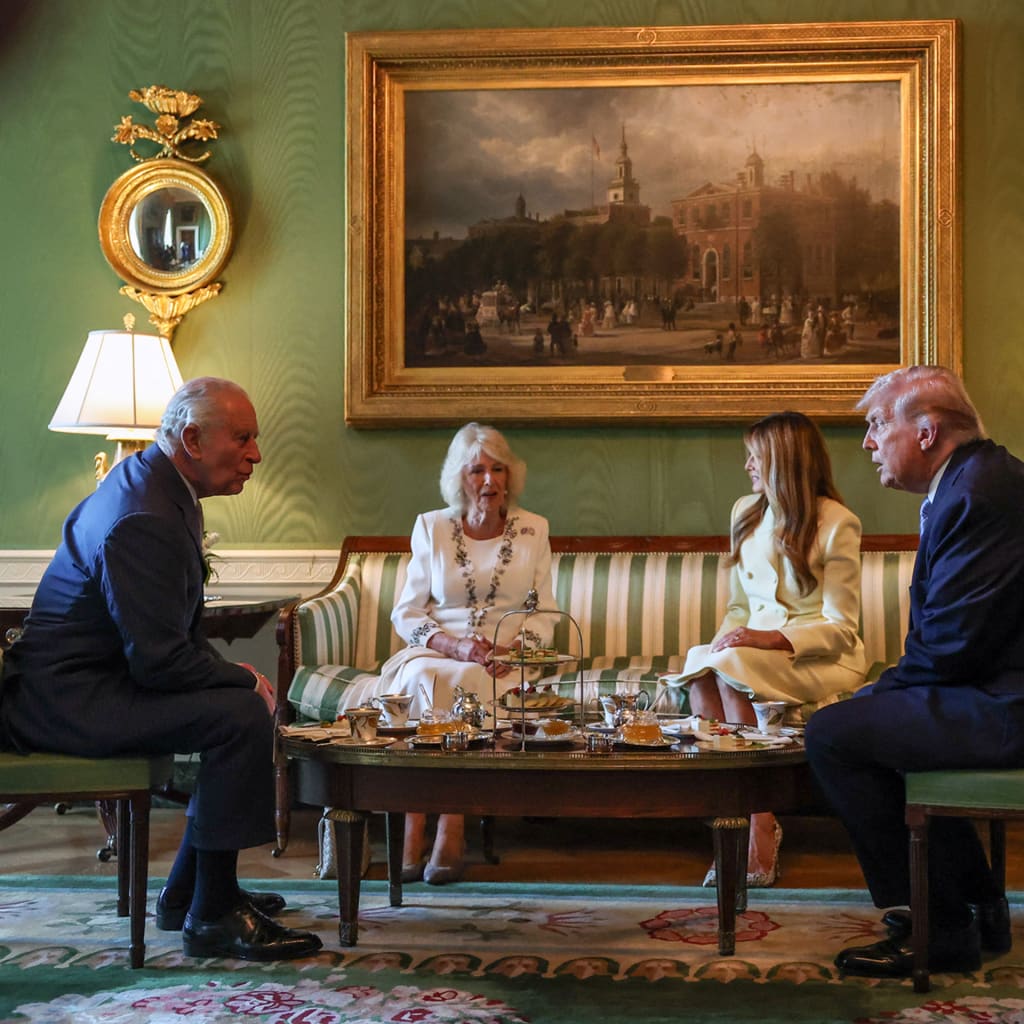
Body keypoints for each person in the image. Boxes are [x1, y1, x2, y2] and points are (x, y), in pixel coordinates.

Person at [0, 377, 322, 962]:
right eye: (243, 438)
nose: (256, 454)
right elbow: (158, 661)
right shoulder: (145, 514)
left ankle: (189, 896)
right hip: (66, 703)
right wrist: (247, 679)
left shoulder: (151, 485)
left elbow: (167, 638)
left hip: (88, 687)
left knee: (239, 708)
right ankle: (213, 916)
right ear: (193, 439)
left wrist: (241, 680)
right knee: (239, 716)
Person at [805, 365, 1024, 978]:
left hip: (1007, 703)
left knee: (832, 736)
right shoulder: (975, 481)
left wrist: (886, 689)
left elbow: (952, 645)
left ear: (925, 433)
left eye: (877, 425)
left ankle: (941, 928)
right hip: (992, 688)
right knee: (875, 721)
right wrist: (890, 690)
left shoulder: (980, 493)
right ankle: (975, 907)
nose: (869, 443)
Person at [664, 411, 866, 887]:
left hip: (820, 660)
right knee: (707, 668)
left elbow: (842, 628)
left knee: (733, 667)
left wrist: (767, 639)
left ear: (784, 460)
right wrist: (719, 647)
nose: (749, 466)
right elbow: (738, 608)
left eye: (756, 457)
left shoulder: (838, 524)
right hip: (751, 655)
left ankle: (757, 827)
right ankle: (738, 818)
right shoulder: (745, 512)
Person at [352, 423, 557, 885]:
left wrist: (516, 652)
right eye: (477, 471)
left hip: (503, 659)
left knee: (474, 681)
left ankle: (452, 822)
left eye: (497, 469)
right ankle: (414, 823)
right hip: (437, 650)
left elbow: (543, 613)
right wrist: (455, 644)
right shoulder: (432, 526)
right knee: (426, 678)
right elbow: (406, 613)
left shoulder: (534, 529)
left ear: (511, 476)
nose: (489, 481)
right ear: (459, 479)